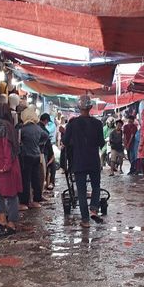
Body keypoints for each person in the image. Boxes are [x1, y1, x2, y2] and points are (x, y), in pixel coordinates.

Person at [63, 95, 106, 227]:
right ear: (91, 107)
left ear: (78, 107)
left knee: (81, 191)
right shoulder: (98, 124)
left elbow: (65, 142)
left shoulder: (72, 124)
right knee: (96, 186)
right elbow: (101, 143)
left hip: (78, 161)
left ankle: (85, 220)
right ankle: (93, 208)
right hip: (93, 160)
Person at [0, 100, 23, 236]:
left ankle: (12, 223)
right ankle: (2, 218)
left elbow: (7, 148)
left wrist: (6, 166)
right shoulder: (2, 126)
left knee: (11, 195)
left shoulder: (4, 127)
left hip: (6, 168)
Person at [18, 106, 46, 210]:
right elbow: (46, 136)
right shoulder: (38, 128)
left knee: (26, 179)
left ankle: (25, 202)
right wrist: (39, 144)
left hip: (26, 156)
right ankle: (36, 200)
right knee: (36, 178)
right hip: (36, 156)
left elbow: (18, 141)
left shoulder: (22, 129)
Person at [40, 113, 56, 190]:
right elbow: (47, 144)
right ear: (46, 120)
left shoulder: (37, 127)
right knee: (47, 168)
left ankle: (49, 183)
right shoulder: (44, 130)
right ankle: (50, 183)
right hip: (43, 152)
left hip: (43, 152)